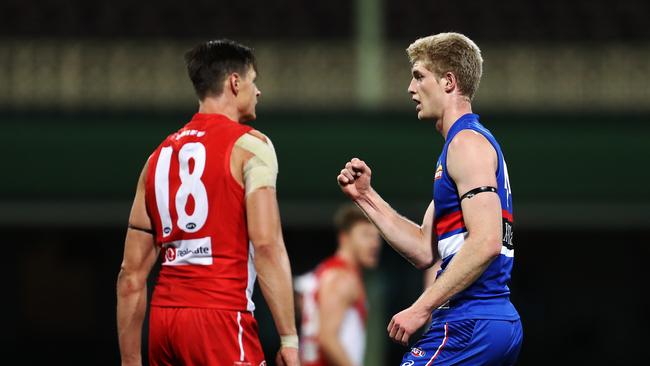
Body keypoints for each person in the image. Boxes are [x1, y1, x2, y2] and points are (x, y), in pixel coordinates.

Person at [337, 32, 522, 365]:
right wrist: (366, 198)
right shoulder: (458, 148)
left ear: (448, 82)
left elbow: (488, 241)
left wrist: (420, 307)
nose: (410, 88)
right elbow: (424, 248)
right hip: (484, 321)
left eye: (419, 76)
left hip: (471, 321)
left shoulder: (466, 144)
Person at [116, 39, 300, 366]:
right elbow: (267, 245)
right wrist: (288, 338)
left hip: (165, 324)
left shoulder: (156, 159)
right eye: (253, 81)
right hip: (222, 318)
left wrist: (131, 361)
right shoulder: (251, 147)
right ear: (234, 82)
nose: (257, 91)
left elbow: (130, 276)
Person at [295, 204, 381, 366]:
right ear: (344, 238)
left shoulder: (322, 272)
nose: (375, 243)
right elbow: (328, 339)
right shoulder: (341, 278)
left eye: (377, 236)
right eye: (366, 235)